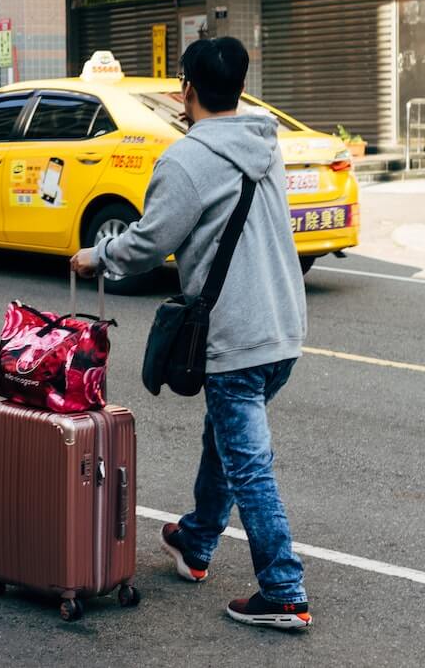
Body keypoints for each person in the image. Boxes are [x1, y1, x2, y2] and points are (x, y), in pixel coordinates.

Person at [70, 37, 310, 629]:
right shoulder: (264, 144)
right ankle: (197, 540)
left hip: (237, 338)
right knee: (225, 438)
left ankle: (283, 589)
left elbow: (151, 241)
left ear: (188, 89)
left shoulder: (186, 160)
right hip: (283, 330)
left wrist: (96, 257)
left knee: (248, 462)